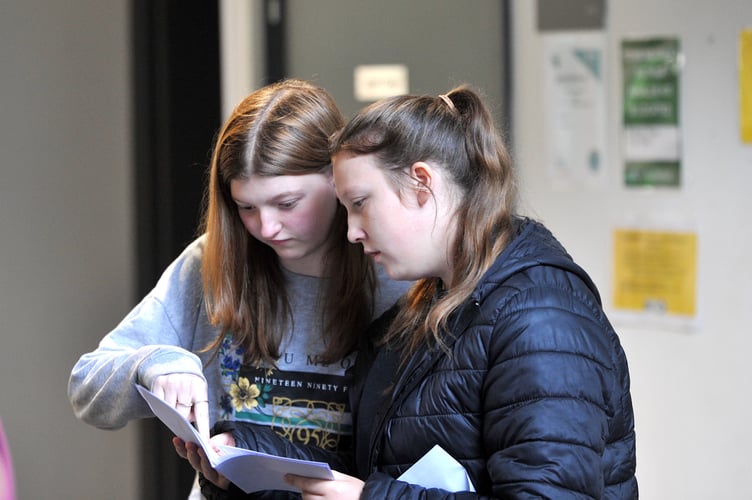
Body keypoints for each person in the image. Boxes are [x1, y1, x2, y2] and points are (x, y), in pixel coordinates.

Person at [188, 84, 638, 499]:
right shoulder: (426, 305)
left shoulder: (542, 317)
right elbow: (373, 474)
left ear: (422, 184)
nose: (351, 233)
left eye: (360, 204)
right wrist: (245, 456)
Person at [67, 79, 410, 498]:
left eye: (287, 203)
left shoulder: (394, 271)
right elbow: (87, 389)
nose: (266, 227)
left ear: (336, 179)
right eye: (246, 207)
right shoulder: (208, 264)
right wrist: (153, 364)